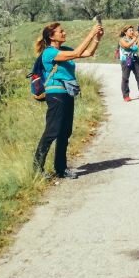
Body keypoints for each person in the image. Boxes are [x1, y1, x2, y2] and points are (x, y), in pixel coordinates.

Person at [33, 18, 103, 179]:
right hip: (55, 93)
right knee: (52, 131)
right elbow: (78, 52)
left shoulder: (64, 49)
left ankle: (61, 168)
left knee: (65, 132)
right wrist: (90, 32)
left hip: (67, 93)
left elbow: (87, 53)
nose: (64, 33)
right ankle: (37, 169)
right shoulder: (49, 53)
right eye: (61, 31)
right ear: (51, 36)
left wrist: (97, 38)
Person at [118, 25, 139, 101]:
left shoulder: (135, 39)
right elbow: (126, 46)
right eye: (130, 30)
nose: (132, 32)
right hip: (126, 60)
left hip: (135, 60)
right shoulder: (122, 40)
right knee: (125, 78)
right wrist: (135, 38)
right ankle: (126, 96)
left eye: (132, 30)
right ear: (125, 32)